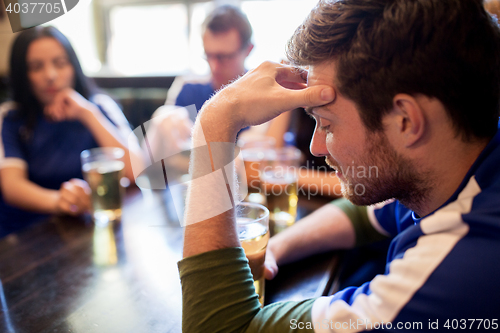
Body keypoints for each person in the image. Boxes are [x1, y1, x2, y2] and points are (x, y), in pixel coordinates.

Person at [178, 0, 500, 331]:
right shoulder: (462, 164)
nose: (317, 147)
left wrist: (216, 121)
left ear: (406, 121)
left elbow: (217, 327)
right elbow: (366, 215)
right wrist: (275, 247)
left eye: (327, 124)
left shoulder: (454, 271)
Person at [0, 26, 142, 238]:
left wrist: (87, 114)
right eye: (36, 67)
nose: (51, 75)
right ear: (22, 74)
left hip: (87, 229)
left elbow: (137, 171)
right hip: (26, 234)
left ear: (74, 66)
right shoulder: (11, 117)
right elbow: (12, 187)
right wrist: (60, 201)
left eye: (60, 63)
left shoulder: (98, 106)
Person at [164, 4, 253, 114]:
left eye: (224, 57)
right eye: (208, 55)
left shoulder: (262, 95)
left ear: (249, 50)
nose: (214, 67)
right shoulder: (188, 88)